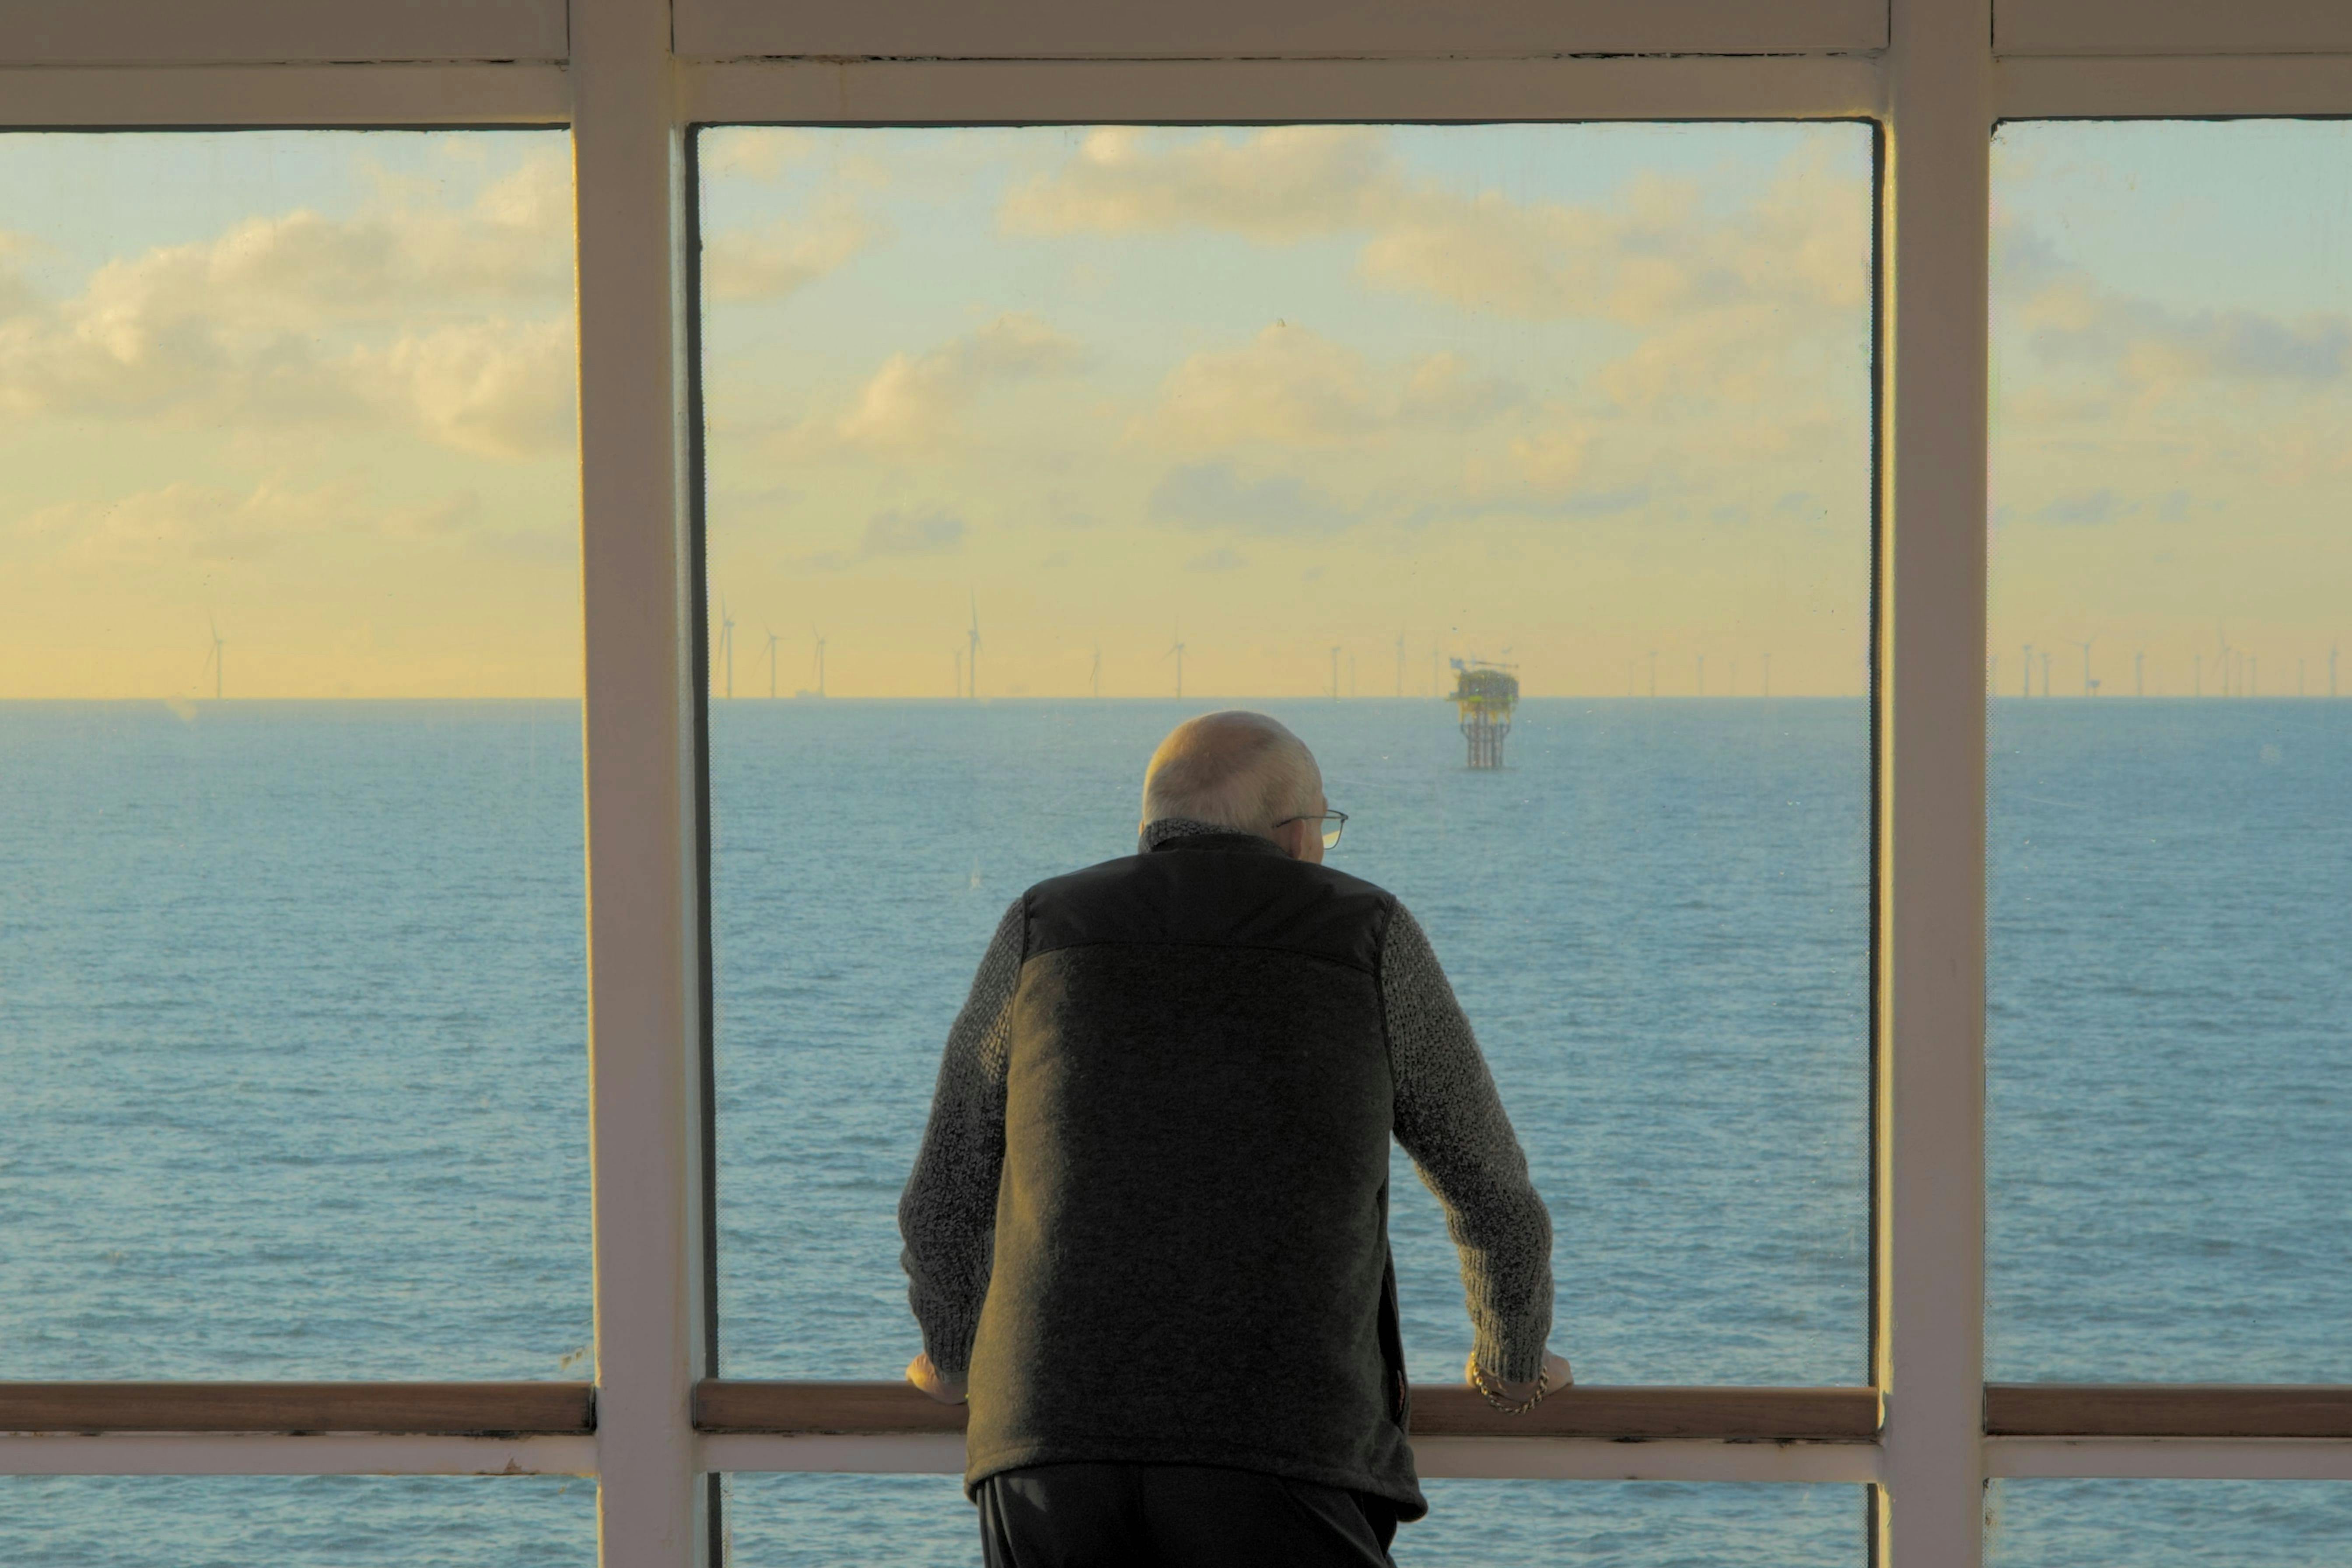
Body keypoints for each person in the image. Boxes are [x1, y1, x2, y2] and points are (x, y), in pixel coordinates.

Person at [898, 710, 1567, 1566]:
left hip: (1046, 1448)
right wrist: (1512, 1361)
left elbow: (945, 1192)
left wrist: (953, 1359)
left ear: (1151, 829)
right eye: (1324, 828)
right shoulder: (1367, 933)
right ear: (1294, 834)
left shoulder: (1041, 926)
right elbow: (1490, 1189)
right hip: (1280, 1439)